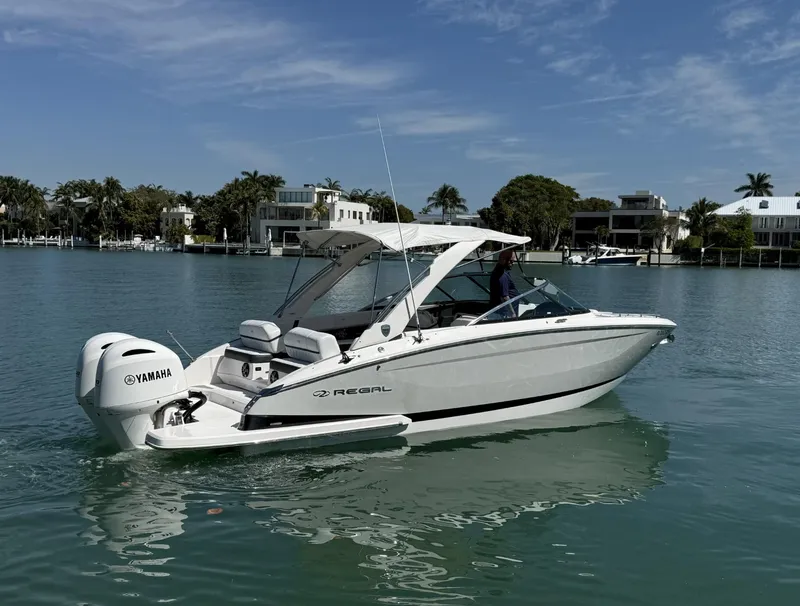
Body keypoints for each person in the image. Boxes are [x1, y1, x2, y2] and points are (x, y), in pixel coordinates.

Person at [489, 249, 519, 318]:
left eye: (513, 261)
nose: (513, 263)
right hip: (504, 314)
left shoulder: (497, 271)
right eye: (511, 261)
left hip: (500, 311)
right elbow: (505, 297)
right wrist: (512, 314)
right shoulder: (502, 276)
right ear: (504, 260)